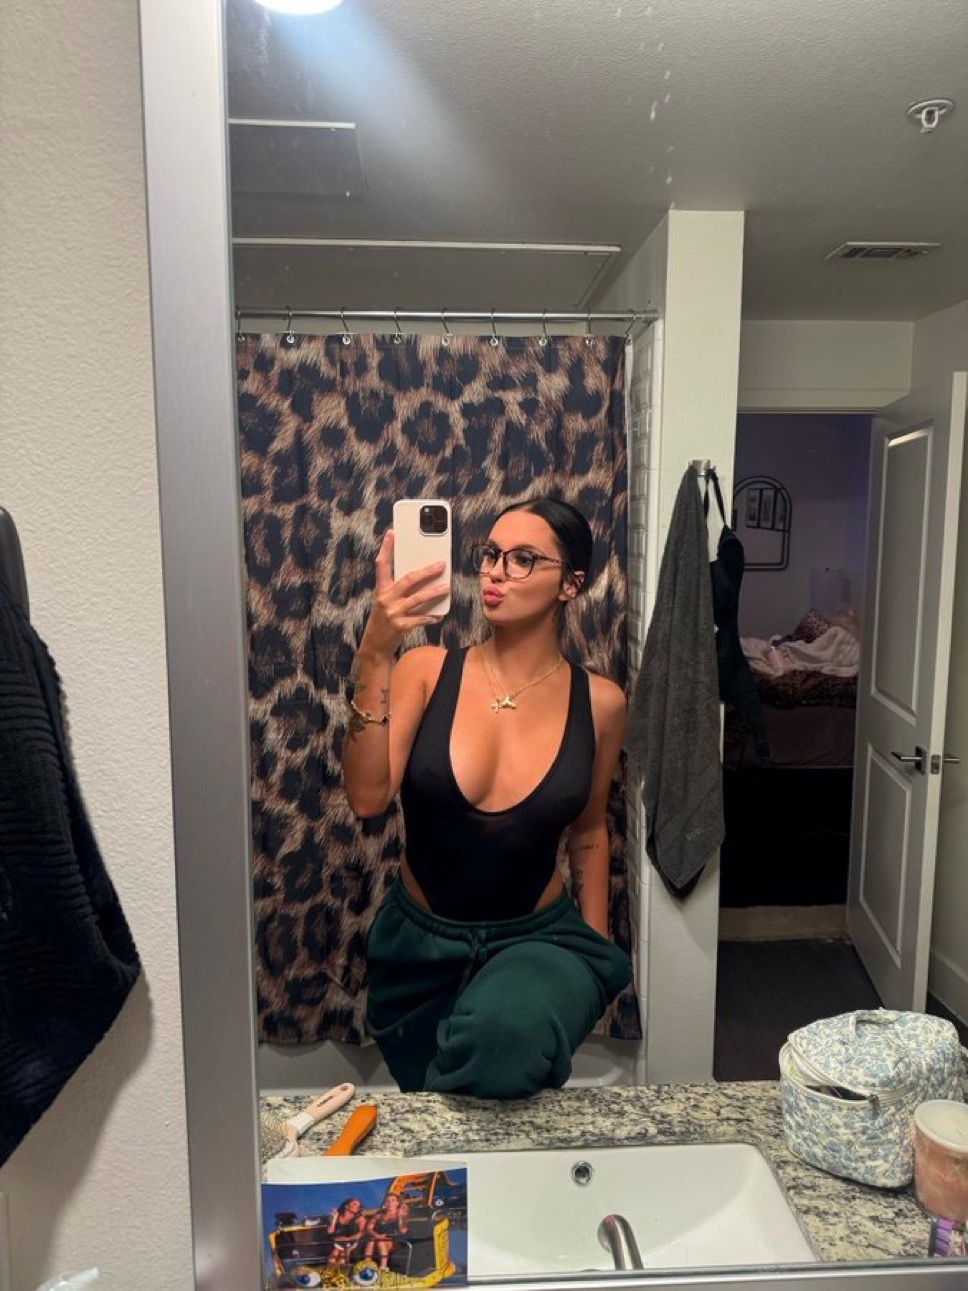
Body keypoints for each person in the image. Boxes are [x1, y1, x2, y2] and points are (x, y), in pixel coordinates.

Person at [342, 496, 632, 1099]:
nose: (495, 572)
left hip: (539, 942)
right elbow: (367, 798)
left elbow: (589, 829)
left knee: (504, 1038)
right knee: (447, 1111)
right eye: (492, 554)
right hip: (419, 951)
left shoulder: (601, 703)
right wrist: (375, 653)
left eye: (523, 559)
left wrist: (594, 955)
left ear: (571, 585)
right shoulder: (425, 670)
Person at [362, 1194, 410, 1269]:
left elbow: (403, 1231)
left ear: (397, 1203)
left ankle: (383, 1267)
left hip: (396, 1240)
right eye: (387, 1201)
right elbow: (368, 1228)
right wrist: (376, 1235)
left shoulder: (402, 1213)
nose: (390, 1203)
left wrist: (400, 1217)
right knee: (371, 1241)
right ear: (385, 1203)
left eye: (393, 1201)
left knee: (381, 1241)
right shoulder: (379, 1215)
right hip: (380, 1238)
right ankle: (366, 1266)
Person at [325, 1197, 366, 1266]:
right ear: (346, 1206)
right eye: (354, 1204)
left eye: (359, 1205)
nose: (357, 1207)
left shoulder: (360, 1219)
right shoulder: (337, 1216)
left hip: (352, 1242)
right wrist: (334, 1219)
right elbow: (330, 1231)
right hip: (337, 1242)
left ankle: (341, 1270)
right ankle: (329, 1270)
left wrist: (347, 1239)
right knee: (333, 1257)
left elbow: (362, 1233)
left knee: (342, 1259)